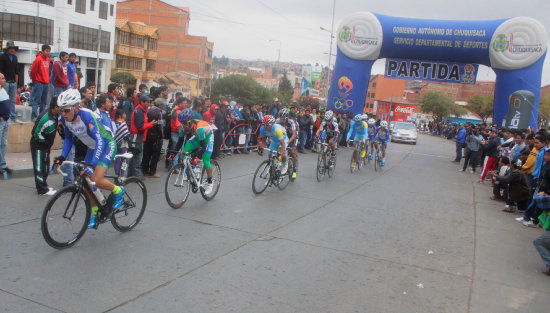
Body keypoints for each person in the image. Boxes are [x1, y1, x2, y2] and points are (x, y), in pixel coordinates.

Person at [53, 89, 123, 229]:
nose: (63, 114)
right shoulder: (64, 119)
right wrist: (62, 156)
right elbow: (68, 138)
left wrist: (92, 164)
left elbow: (100, 142)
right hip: (92, 148)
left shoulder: (87, 116)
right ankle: (96, 212)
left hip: (106, 144)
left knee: (96, 179)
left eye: (66, 110)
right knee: (86, 184)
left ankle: (118, 190)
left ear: (76, 107)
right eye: (61, 110)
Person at [172, 108, 215, 193]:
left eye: (185, 123)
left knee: (206, 159)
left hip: (207, 138)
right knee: (186, 149)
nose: (184, 125)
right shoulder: (182, 127)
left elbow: (203, 146)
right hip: (198, 137)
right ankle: (192, 170)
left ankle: (210, 182)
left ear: (191, 121)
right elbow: (180, 142)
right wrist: (173, 154)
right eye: (182, 123)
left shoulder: (199, 127)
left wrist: (197, 157)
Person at [31, 96, 59, 195]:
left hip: (46, 145)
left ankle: (44, 185)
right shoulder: (45, 118)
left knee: (46, 165)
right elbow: (35, 133)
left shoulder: (55, 116)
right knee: (40, 167)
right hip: (39, 144)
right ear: (55, 107)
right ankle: (41, 189)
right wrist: (45, 142)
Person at [129, 95, 156, 177]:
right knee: (138, 157)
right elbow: (140, 126)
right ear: (142, 102)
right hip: (137, 137)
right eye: (147, 102)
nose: (149, 104)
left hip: (139, 136)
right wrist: (151, 124)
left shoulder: (142, 111)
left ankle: (130, 175)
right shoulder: (139, 111)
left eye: (149, 102)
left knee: (134, 157)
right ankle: (136, 176)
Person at [141, 98, 164, 178]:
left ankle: (145, 170)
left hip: (147, 134)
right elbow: (160, 125)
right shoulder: (159, 112)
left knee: (147, 153)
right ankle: (152, 172)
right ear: (160, 105)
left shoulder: (148, 110)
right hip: (156, 135)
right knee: (155, 155)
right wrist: (161, 136)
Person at [30, 45, 51, 120]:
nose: (48, 52)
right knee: (37, 100)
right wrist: (34, 81)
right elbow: (33, 71)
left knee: (44, 102)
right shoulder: (38, 59)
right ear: (42, 51)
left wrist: (47, 80)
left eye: (49, 51)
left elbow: (48, 71)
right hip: (38, 82)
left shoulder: (48, 60)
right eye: (46, 51)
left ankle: (41, 116)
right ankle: (34, 116)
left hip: (46, 82)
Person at [0, 41, 19, 122]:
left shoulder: (15, 58)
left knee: (12, 100)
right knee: (4, 99)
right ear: (7, 49)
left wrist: (16, 82)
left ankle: (13, 116)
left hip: (12, 82)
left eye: (13, 48)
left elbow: (16, 71)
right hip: (5, 82)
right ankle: (4, 115)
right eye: (11, 48)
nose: (12, 50)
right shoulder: (2, 57)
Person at [277, 108, 298, 178]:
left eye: (283, 119)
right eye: (281, 118)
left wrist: (288, 142)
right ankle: (281, 165)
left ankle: (294, 170)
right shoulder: (277, 121)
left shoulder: (291, 122)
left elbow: (294, 134)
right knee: (278, 151)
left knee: (292, 152)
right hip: (283, 137)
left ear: (287, 117)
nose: (282, 120)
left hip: (292, 137)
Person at [0, 73, 13, 176]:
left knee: (4, 143)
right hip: (1, 122)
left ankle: (2, 164)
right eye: (2, 78)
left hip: (6, 120)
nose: (5, 80)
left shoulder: (3, 90)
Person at [113, 109, 130, 175]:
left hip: (116, 143)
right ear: (120, 115)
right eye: (124, 114)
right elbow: (126, 134)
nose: (125, 115)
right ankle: (122, 174)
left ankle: (116, 174)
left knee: (117, 158)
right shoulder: (123, 123)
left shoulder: (114, 123)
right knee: (124, 159)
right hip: (123, 143)